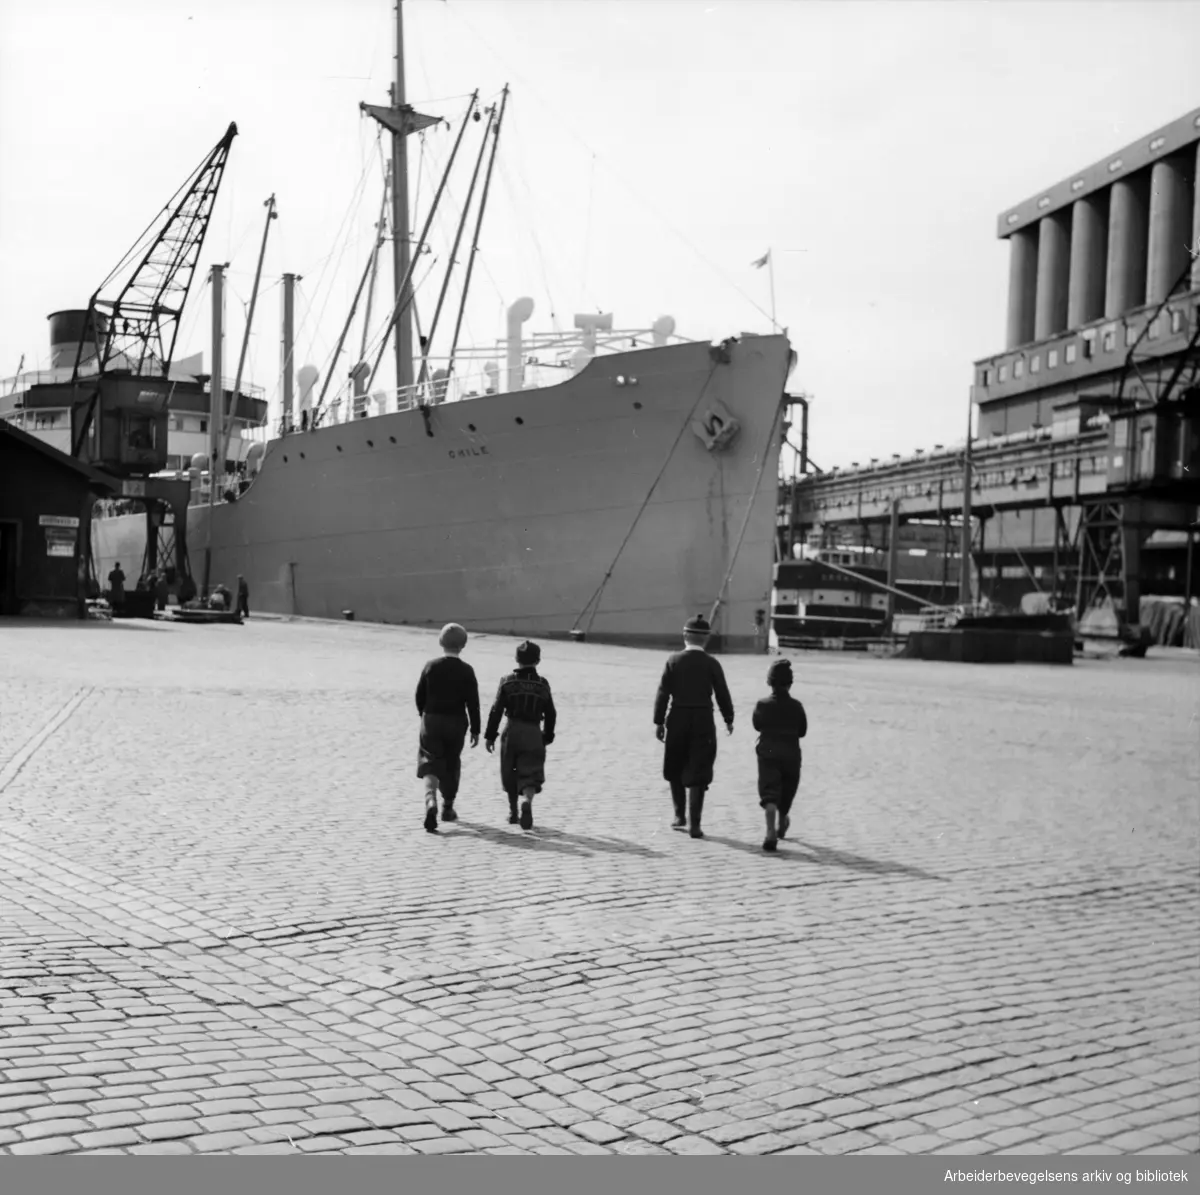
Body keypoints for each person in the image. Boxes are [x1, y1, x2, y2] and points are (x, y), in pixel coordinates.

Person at [653, 615, 734, 839]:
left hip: (677, 718)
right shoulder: (712, 663)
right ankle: (696, 825)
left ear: (685, 635)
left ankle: (679, 816)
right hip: (703, 720)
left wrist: (659, 721)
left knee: (675, 767)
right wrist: (728, 717)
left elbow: (663, 693)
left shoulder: (673, 661)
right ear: (706, 639)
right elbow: (722, 693)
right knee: (699, 770)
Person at [415, 623, 481, 833]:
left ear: (441, 642)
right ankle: (448, 807)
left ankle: (430, 800)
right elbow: (473, 702)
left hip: (432, 719)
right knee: (452, 763)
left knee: (430, 762)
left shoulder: (430, 666)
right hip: (456, 722)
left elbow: (419, 696)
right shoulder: (467, 670)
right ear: (463, 645)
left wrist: (424, 715)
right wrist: (476, 729)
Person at [484, 640, 557, 831]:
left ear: (516, 659)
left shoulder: (507, 681)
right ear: (538, 660)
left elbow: (496, 710)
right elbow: (551, 713)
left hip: (512, 730)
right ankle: (527, 800)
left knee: (510, 771)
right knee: (530, 772)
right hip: (533, 731)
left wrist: (490, 735)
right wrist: (547, 735)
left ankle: (513, 812)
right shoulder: (543, 685)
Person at [751, 658, 808, 853]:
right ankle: (782, 822)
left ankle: (770, 832)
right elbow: (802, 731)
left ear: (769, 682)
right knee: (787, 790)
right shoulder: (797, 706)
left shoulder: (762, 704)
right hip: (791, 753)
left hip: (768, 753)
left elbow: (757, 725)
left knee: (770, 793)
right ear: (790, 683)